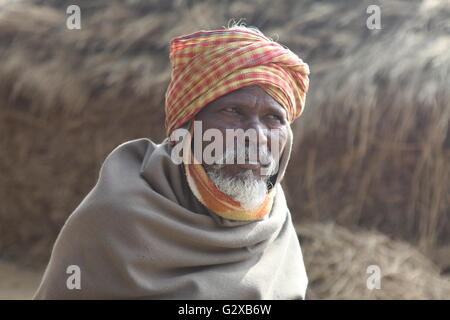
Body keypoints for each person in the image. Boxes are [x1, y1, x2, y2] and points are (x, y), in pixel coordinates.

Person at [33, 25, 310, 299]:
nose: (257, 136)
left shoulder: (275, 222)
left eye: (273, 118)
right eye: (233, 111)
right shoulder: (116, 218)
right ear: (186, 128)